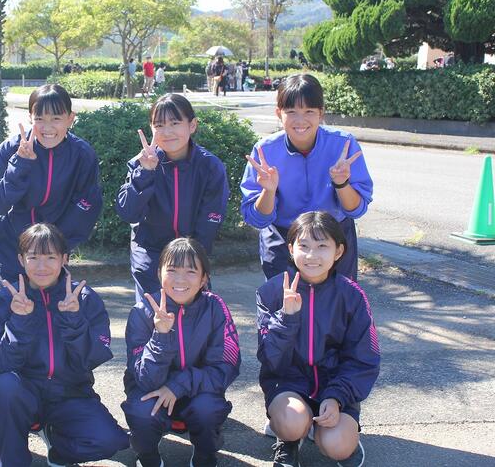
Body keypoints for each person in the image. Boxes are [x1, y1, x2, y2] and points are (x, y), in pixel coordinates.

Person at [0, 223, 130, 466]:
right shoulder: (6, 300)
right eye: (33, 257)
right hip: (24, 391)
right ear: (21, 259)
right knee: (4, 388)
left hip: (70, 392)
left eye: (50, 257)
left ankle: (58, 447)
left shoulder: (84, 298)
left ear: (64, 258)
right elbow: (0, 363)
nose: (42, 266)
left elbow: (92, 358)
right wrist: (20, 321)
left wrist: (73, 320)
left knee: (111, 441)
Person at [256, 211, 379, 467]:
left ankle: (342, 434)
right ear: (291, 249)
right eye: (304, 246)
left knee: (337, 445)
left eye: (322, 246)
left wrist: (336, 396)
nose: (312, 255)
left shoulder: (352, 295)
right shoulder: (271, 292)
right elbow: (270, 360)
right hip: (289, 384)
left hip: (335, 385)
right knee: (291, 423)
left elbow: (364, 359)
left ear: (338, 251)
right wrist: (287, 318)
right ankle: (289, 440)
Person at [240, 74, 373, 281]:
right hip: (283, 239)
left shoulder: (343, 145)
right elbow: (257, 218)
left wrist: (342, 184)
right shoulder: (265, 151)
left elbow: (356, 210)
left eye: (309, 111)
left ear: (321, 113)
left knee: (338, 300)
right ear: (279, 113)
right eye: (291, 112)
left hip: (333, 239)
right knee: (284, 300)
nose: (300, 120)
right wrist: (268, 190)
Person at [122, 237, 240, 467]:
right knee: (141, 411)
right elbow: (145, 380)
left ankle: (205, 456)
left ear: (204, 278)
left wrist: (178, 385)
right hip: (154, 391)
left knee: (208, 410)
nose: (180, 280)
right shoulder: (142, 312)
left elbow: (225, 367)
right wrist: (161, 335)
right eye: (172, 270)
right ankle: (148, 457)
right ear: (159, 273)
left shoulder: (215, 307)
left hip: (198, 391)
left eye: (191, 271)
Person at [0, 83, 103, 296]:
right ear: (30, 117)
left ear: (70, 118)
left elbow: (87, 205)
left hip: (53, 250)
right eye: (40, 119)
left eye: (56, 118)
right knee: (10, 303)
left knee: (50, 306)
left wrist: (57, 245)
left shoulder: (82, 154)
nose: (47, 128)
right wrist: (19, 164)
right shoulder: (10, 149)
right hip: (9, 244)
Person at [116, 93, 229, 302]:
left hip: (192, 254)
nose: (167, 132)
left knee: (195, 313)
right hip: (149, 254)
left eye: (175, 123)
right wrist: (144, 173)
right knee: (152, 313)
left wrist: (193, 261)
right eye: (159, 125)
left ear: (192, 125)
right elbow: (128, 212)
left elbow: (210, 219)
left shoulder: (210, 166)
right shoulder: (141, 163)